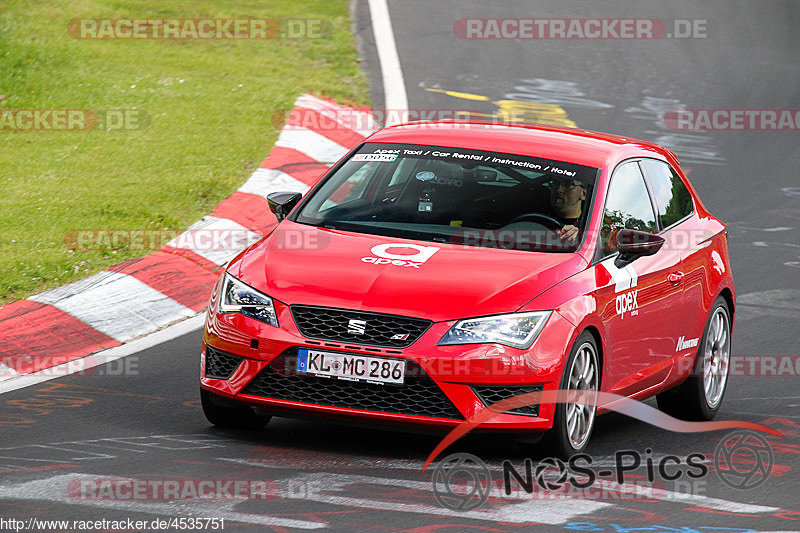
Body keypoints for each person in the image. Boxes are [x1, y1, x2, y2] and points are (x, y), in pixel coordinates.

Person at [546, 177, 587, 243]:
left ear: (583, 194)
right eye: (555, 183)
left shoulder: (588, 227)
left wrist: (577, 238)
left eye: (567, 185)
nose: (559, 190)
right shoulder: (535, 217)